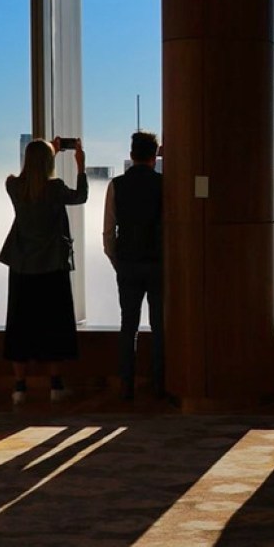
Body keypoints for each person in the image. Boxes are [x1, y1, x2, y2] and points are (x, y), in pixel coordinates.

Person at [0, 138, 87, 405]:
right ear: (50, 162)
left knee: (19, 324)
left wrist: (49, 150)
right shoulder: (55, 188)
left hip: (22, 265)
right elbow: (80, 196)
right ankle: (56, 385)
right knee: (55, 324)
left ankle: (19, 387)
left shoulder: (13, 185)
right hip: (52, 265)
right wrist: (80, 166)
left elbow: (29, 175)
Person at [102, 131, 164, 401]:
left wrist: (115, 259)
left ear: (131, 155)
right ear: (155, 154)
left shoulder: (116, 185)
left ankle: (126, 385)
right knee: (160, 325)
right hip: (157, 262)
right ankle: (161, 383)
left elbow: (108, 230)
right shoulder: (165, 184)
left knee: (129, 325)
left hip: (128, 262)